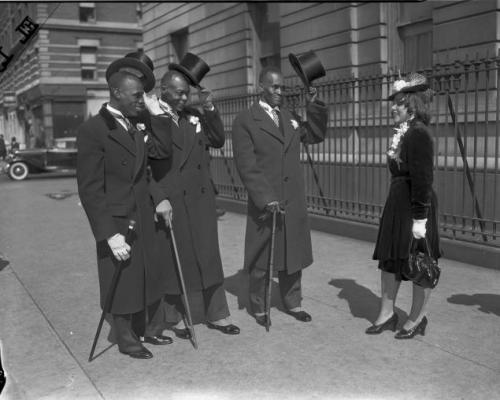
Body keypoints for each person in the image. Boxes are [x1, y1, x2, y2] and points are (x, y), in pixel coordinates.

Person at [77, 69, 174, 359]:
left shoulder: (133, 124)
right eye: (136, 96)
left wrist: (158, 118)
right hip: (117, 220)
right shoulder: (93, 130)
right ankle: (125, 338)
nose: (141, 101)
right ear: (116, 93)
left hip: (142, 213)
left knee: (144, 274)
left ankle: (145, 329)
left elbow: (154, 160)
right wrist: (108, 233)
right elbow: (90, 188)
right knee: (122, 281)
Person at [146, 67, 240, 337]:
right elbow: (144, 168)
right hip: (171, 201)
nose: (184, 98)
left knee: (209, 257)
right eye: (179, 93)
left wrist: (209, 107)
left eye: (187, 94)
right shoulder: (149, 117)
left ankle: (218, 315)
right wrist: (159, 197)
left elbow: (218, 140)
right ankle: (174, 318)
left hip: (200, 200)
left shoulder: (194, 115)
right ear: (164, 90)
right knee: (175, 260)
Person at [231, 66, 328, 327]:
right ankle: (260, 306)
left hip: (292, 199)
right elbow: (246, 164)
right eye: (274, 87)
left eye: (282, 87)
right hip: (267, 200)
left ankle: (293, 302)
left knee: (292, 253)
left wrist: (313, 105)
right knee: (262, 256)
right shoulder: (246, 120)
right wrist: (264, 196)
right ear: (261, 86)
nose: (279, 92)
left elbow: (316, 134)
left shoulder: (290, 116)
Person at [367, 72, 441, 339]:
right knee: (390, 261)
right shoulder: (403, 132)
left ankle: (417, 318)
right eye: (393, 102)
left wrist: (420, 220)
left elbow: (423, 180)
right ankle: (387, 315)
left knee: (419, 263)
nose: (393, 107)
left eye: (398, 102)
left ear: (412, 104)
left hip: (415, 208)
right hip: (398, 205)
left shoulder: (418, 134)